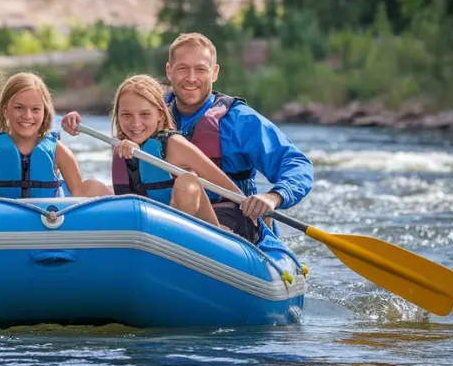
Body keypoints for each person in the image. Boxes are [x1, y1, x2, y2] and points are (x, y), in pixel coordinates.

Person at [64, 33, 313, 243]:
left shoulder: (239, 120)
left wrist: (273, 197)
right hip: (158, 218)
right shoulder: (146, 114)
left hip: (226, 220)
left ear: (214, 73)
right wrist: (76, 120)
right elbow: (122, 123)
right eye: (183, 69)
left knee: (188, 185)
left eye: (200, 69)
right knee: (91, 189)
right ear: (169, 71)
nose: (191, 78)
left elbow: (296, 164)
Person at [63, 74, 243, 229]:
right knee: (90, 187)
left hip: (193, 231)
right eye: (126, 115)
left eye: (145, 114)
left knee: (188, 184)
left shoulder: (174, 144)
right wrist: (73, 122)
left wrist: (253, 212)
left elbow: (228, 188)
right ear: (117, 116)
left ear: (160, 115)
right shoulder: (121, 147)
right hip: (146, 230)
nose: (135, 124)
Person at [0, 72, 112, 202]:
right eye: (19, 108)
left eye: (35, 109)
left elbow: (79, 193)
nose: (27, 116)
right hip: (1, 227)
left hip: (47, 224)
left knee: (91, 186)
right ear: (5, 111)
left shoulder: (59, 151)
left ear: (44, 113)